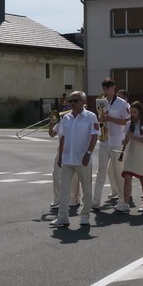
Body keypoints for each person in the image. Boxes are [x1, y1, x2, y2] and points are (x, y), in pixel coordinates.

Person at [52, 92, 98, 228]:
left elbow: (95, 136)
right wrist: (60, 157)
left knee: (86, 190)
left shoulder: (90, 116)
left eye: (75, 101)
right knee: (64, 189)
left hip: (83, 159)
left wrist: (88, 153)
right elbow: (61, 137)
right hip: (67, 159)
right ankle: (62, 217)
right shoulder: (66, 118)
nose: (72, 103)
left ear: (83, 102)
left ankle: (85, 216)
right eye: (70, 101)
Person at [92, 78, 130, 209]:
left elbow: (127, 121)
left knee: (118, 172)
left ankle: (122, 201)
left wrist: (109, 118)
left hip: (117, 140)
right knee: (101, 171)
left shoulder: (122, 103)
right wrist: (101, 121)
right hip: (104, 140)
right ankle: (95, 201)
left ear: (113, 88)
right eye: (104, 88)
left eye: (108, 88)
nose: (106, 90)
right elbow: (100, 118)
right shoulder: (101, 101)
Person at [117, 103, 143, 212]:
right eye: (131, 112)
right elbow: (126, 140)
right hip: (131, 153)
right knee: (127, 178)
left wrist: (133, 137)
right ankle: (125, 204)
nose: (133, 114)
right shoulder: (129, 124)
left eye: (135, 112)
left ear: (140, 112)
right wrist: (125, 141)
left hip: (141, 154)